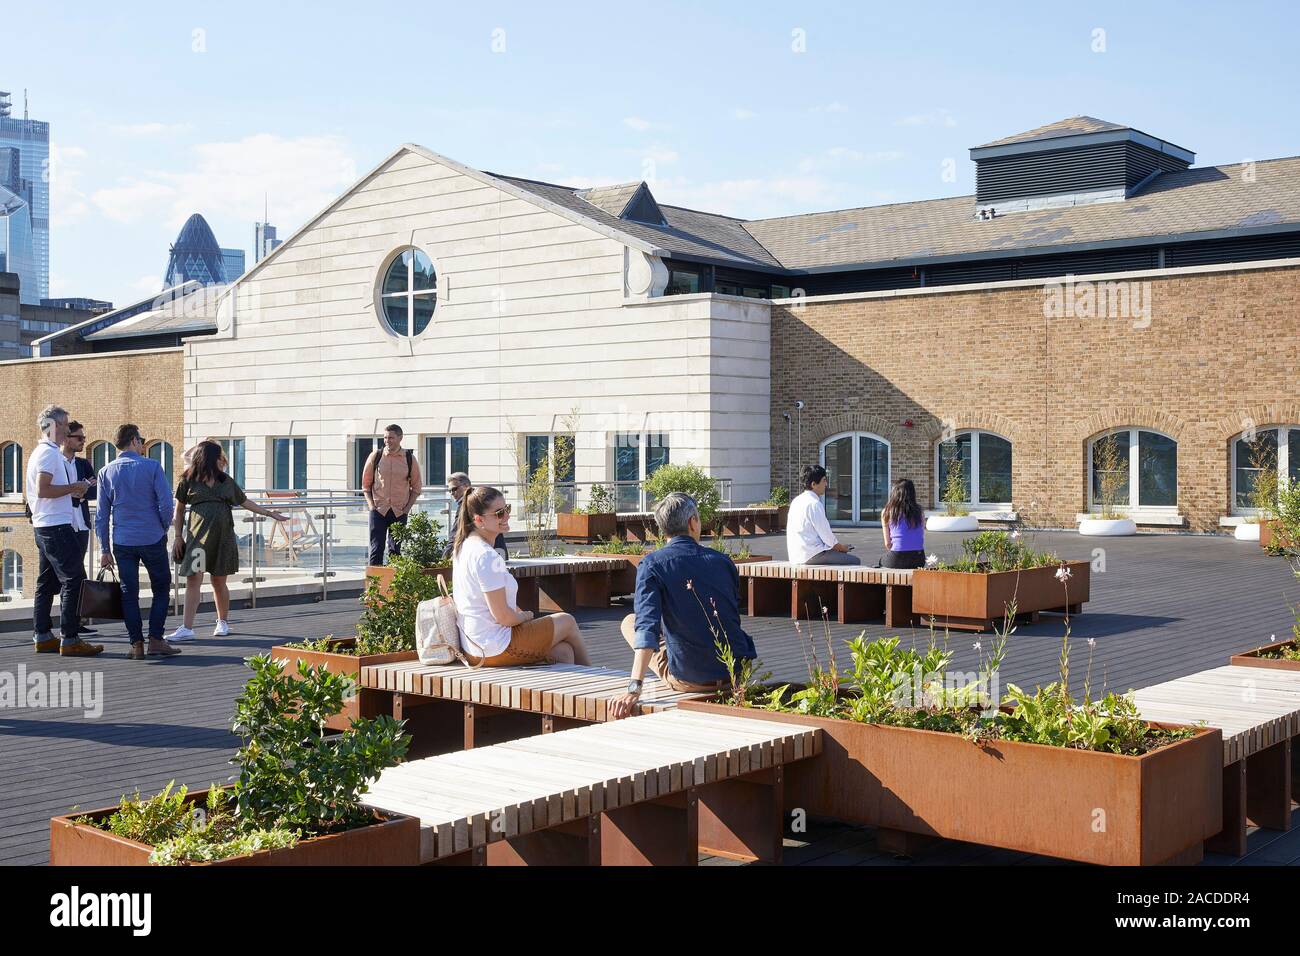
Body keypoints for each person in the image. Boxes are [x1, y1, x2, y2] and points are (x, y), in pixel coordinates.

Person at [609, 492, 757, 720]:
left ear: (662, 528)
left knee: (630, 622)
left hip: (690, 679)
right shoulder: (723, 561)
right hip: (735, 673)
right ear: (692, 522)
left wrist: (634, 687)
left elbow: (646, 627)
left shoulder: (652, 565)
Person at [451, 484, 589, 667]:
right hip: (495, 646)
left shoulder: (464, 547)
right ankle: (600, 675)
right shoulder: (485, 556)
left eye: (506, 509)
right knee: (567, 621)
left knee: (563, 652)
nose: (507, 516)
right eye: (499, 513)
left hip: (476, 647)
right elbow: (504, 617)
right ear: (479, 520)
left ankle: (575, 691)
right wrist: (526, 616)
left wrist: (521, 616)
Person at [168, 441, 288, 641]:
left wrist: (268, 513)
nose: (223, 459)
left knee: (218, 581)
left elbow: (244, 501)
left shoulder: (226, 481)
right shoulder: (188, 480)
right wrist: (178, 536)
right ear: (209, 458)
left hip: (222, 540)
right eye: (219, 456)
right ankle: (187, 627)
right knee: (193, 580)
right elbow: (179, 510)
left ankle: (222, 622)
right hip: (197, 540)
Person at [95, 424, 179, 659]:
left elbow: (102, 515)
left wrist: (104, 548)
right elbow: (166, 504)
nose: (142, 444)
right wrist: (162, 528)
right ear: (133, 441)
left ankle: (136, 645)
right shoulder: (152, 466)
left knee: (128, 593)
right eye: (141, 440)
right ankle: (155, 639)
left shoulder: (106, 472)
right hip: (152, 537)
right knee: (161, 589)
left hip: (122, 541)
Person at [26, 404, 101, 656]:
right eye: (66, 425)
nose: (68, 429)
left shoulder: (42, 452)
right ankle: (70, 638)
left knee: (46, 582)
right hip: (55, 525)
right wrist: (74, 487)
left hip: (46, 525)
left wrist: (74, 488)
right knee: (74, 579)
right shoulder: (48, 454)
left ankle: (43, 634)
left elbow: (44, 491)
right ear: (54, 426)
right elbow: (43, 490)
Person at [362, 425, 422, 566]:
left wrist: (406, 509)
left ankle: (394, 585)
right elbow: (366, 485)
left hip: (399, 510)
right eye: (385, 437)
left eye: (391, 438)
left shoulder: (409, 458)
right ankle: (374, 586)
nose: (387, 441)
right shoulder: (376, 456)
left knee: (395, 550)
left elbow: (417, 487)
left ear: (400, 438)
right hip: (378, 510)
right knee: (376, 549)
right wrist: (371, 506)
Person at [61, 420, 99, 636]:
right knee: (65, 576)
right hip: (62, 524)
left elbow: (95, 490)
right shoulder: (55, 462)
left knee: (78, 573)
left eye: (84, 438)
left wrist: (82, 491)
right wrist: (74, 489)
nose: (83, 441)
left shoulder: (83, 464)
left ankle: (77, 621)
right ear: (67, 438)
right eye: (79, 438)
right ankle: (64, 626)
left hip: (82, 523)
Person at [787, 464, 861, 566]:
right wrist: (842, 548)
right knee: (855, 561)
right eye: (824, 480)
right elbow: (828, 538)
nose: (826, 484)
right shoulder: (814, 504)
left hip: (797, 556)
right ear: (814, 484)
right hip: (812, 555)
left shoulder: (797, 501)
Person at [450, 470, 507, 558]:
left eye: (454, 489)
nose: (452, 493)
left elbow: (455, 535)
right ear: (479, 519)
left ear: (466, 486)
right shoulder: (479, 551)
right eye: (499, 512)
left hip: (493, 552)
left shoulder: (469, 505)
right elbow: (457, 534)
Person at [879, 478, 926, 569]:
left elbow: (888, 544)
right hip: (918, 558)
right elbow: (920, 536)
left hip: (896, 556)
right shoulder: (920, 511)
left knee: (881, 562)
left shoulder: (887, 512)